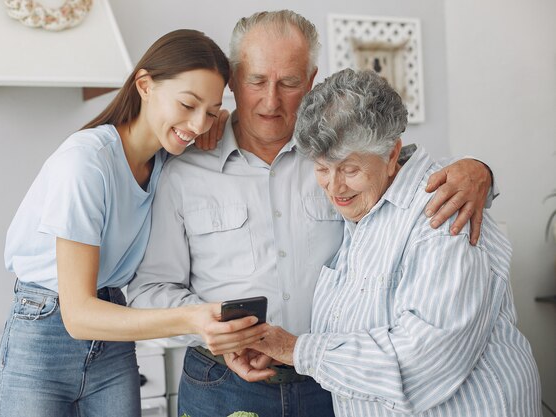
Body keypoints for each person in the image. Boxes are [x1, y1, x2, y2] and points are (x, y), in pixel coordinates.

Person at [128, 11, 495, 417]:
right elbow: (150, 290)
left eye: (289, 83)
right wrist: (213, 328)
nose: (271, 101)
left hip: (334, 382)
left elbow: (408, 174)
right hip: (223, 383)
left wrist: (480, 171)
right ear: (232, 78)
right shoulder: (182, 168)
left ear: (311, 79)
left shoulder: (338, 155)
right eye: (256, 81)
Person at [0, 29, 268, 417]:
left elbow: (212, 121)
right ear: (144, 85)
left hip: (114, 333)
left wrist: (219, 120)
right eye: (188, 104)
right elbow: (79, 315)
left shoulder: (165, 161)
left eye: (210, 110)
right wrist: (194, 318)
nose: (199, 123)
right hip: (45, 330)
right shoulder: (86, 164)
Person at [245, 68, 542, 417]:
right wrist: (284, 350)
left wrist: (297, 350)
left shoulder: (443, 210)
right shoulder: (361, 211)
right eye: (322, 169)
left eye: (350, 169)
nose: (334, 187)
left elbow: (427, 361)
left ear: (391, 156)